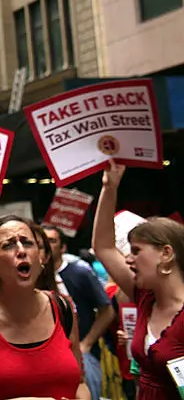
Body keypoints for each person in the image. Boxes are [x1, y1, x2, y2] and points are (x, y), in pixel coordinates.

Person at [0, 214, 89, 400]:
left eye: (28, 243)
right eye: (8, 245)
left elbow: (80, 384)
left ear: (41, 256)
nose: (21, 250)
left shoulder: (62, 308)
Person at [92, 161, 184, 399]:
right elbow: (103, 246)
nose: (128, 259)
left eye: (136, 251)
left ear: (166, 253)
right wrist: (109, 187)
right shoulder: (145, 298)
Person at [43, 224, 115, 400]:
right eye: (42, 241)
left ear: (63, 247)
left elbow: (107, 311)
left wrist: (86, 343)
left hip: (82, 355)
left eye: (52, 241)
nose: (46, 245)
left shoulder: (80, 272)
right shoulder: (31, 276)